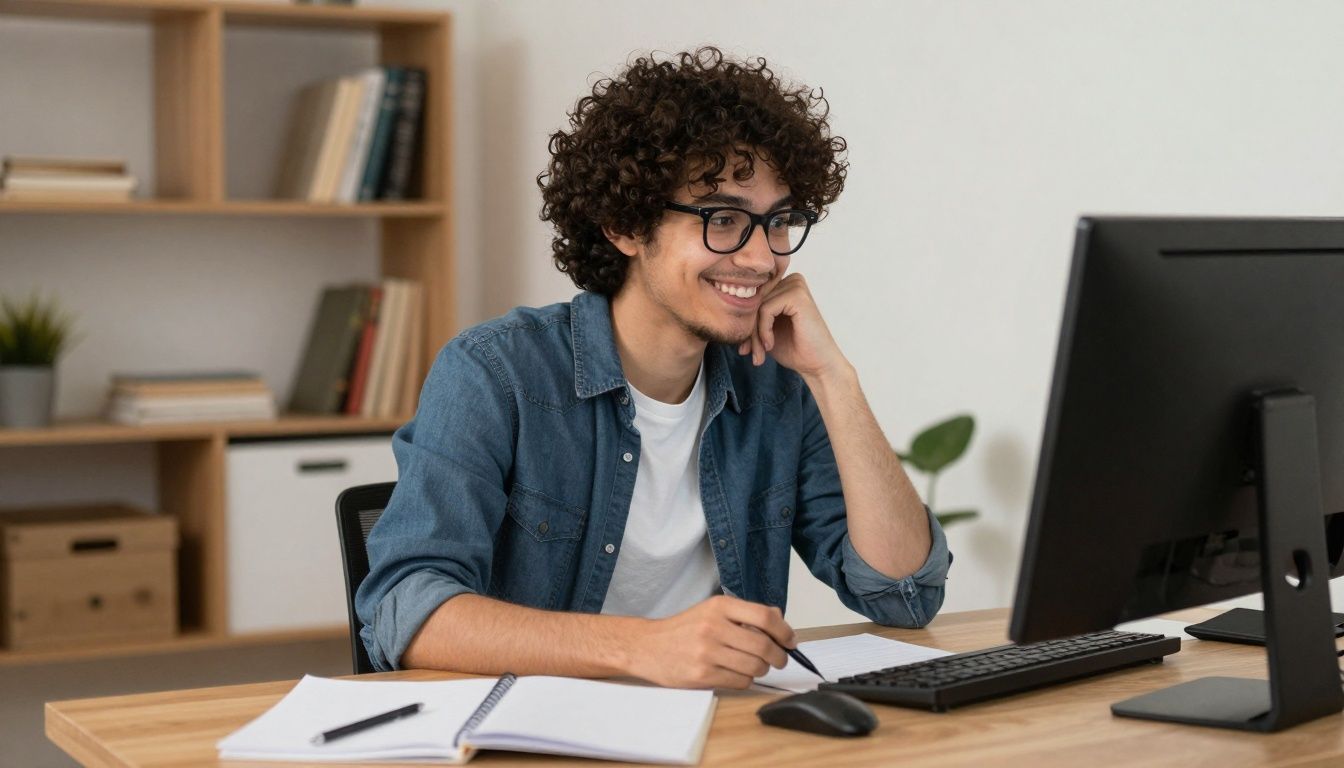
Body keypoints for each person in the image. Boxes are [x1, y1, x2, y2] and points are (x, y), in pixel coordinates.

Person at [356, 47, 951, 688]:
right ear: (625, 224)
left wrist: (834, 378)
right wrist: (641, 649)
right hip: (544, 738)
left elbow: (904, 595)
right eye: (723, 219)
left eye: (778, 222)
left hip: (727, 733)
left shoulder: (777, 384)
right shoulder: (496, 373)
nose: (761, 259)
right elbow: (406, 612)